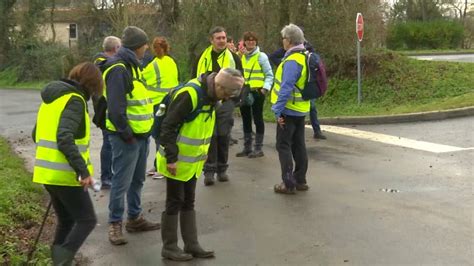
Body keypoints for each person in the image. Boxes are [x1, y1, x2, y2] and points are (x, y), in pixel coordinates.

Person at [157, 68, 244, 261]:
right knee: (174, 202)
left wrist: (203, 153)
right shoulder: (190, 95)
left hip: (192, 162)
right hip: (176, 160)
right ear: (219, 85)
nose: (227, 98)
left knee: (189, 200)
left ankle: (192, 244)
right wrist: (171, 158)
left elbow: (204, 128)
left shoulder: (212, 97)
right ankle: (169, 247)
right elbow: (168, 126)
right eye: (226, 94)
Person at [32, 62, 103, 264]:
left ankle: (58, 262)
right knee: (87, 220)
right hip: (65, 175)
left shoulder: (51, 100)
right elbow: (64, 137)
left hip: (47, 173)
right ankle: (62, 261)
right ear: (92, 84)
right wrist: (82, 171)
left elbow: (35, 134)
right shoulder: (75, 100)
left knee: (66, 221)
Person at [103, 26, 160, 245]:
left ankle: (134, 218)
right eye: (145, 44)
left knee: (136, 180)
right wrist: (127, 135)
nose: (146, 48)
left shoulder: (134, 67)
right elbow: (116, 109)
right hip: (126, 137)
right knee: (122, 181)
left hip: (141, 135)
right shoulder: (119, 69)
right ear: (138, 46)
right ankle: (115, 222)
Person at [193, 26, 243, 186]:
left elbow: (242, 81)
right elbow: (194, 78)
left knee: (223, 135)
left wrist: (235, 100)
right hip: (206, 101)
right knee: (210, 137)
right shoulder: (202, 56)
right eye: (218, 38)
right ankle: (209, 171)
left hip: (227, 101)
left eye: (224, 38)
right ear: (211, 40)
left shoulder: (234, 58)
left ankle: (222, 169)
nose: (222, 41)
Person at [270, 24, 311, 194]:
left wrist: (277, 111)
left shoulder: (292, 61)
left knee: (283, 145)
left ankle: (288, 183)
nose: (282, 42)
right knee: (299, 145)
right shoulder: (305, 56)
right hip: (301, 109)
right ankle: (300, 180)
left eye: (284, 39)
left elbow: (286, 88)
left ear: (289, 40)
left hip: (288, 109)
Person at [269, 41, 327, 140]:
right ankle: (316, 131)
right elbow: (273, 56)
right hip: (305, 89)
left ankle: (317, 130)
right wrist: (283, 64)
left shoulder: (303, 49)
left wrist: (277, 109)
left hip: (299, 93)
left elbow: (286, 88)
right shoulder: (297, 50)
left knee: (284, 144)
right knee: (298, 142)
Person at [142, 36, 180, 178]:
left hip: (158, 103)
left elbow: (142, 77)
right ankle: (158, 163)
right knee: (166, 133)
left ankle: (160, 166)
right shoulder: (171, 62)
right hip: (171, 101)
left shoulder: (154, 64)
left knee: (159, 134)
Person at [236, 31, 274, 158]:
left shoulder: (261, 56)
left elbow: (269, 74)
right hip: (244, 92)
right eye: (248, 40)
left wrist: (265, 89)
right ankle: (247, 147)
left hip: (257, 92)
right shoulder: (241, 56)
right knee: (245, 119)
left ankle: (258, 148)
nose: (251, 42)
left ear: (256, 42)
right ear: (244, 42)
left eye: (253, 40)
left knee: (258, 119)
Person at [92, 36, 121, 189]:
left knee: (109, 143)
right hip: (105, 108)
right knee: (109, 144)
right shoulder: (105, 64)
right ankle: (107, 177)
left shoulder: (98, 63)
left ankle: (108, 176)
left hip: (103, 107)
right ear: (115, 48)